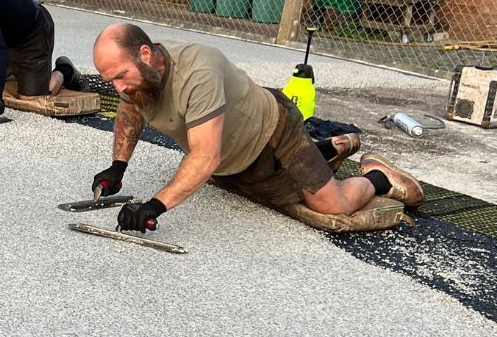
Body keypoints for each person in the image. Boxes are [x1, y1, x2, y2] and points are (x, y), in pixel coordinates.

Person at [91, 23, 423, 233]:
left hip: (275, 134)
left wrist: (154, 206)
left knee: (331, 206)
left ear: (146, 54)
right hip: (235, 157)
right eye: (111, 80)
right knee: (256, 185)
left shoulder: (198, 72)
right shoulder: (139, 81)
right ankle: (325, 150)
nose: (119, 87)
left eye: (120, 75)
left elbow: (205, 157)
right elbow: (130, 112)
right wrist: (117, 167)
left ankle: (378, 177)